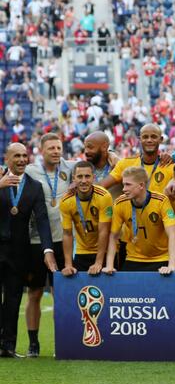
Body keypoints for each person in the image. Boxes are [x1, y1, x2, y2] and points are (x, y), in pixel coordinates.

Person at [0, 143, 55, 358]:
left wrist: (47, 249)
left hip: (18, 251)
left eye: (25, 155)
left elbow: (42, 220)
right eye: (17, 156)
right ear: (7, 158)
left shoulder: (34, 186)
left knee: (14, 298)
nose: (22, 159)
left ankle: (8, 347)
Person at [23, 133, 74, 357]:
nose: (56, 151)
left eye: (59, 147)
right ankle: (33, 344)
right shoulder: (30, 170)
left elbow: (97, 162)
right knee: (34, 292)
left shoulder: (71, 167)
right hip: (36, 241)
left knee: (59, 294)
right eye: (51, 148)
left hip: (64, 239)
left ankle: (61, 343)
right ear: (41, 150)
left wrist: (110, 154)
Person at [104, 167, 175, 274]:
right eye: (124, 184)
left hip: (160, 258)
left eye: (128, 184)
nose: (123, 189)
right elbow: (113, 236)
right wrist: (109, 266)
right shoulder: (120, 203)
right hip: (133, 258)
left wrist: (171, 266)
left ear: (141, 185)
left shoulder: (161, 201)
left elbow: (173, 235)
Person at [59, 161, 112, 276]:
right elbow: (67, 234)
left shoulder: (104, 196)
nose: (83, 181)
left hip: (105, 251)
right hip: (82, 250)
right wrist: (68, 265)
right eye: (79, 177)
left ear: (94, 177)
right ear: (74, 178)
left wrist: (98, 262)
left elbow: (104, 231)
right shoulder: (66, 201)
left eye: (87, 176)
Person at [100, 124, 174, 194]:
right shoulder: (125, 164)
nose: (149, 140)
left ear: (161, 139)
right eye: (145, 137)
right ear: (140, 139)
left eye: (153, 137)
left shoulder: (169, 165)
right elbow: (101, 187)